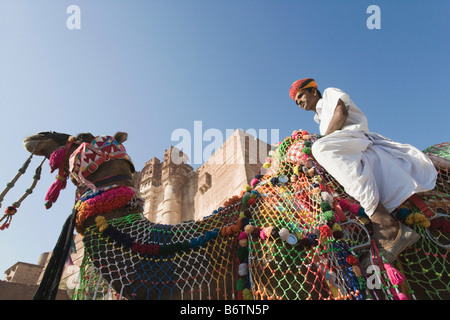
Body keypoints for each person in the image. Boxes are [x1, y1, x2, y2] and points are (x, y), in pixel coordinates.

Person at [289, 78, 437, 262]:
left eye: (301, 95)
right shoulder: (319, 119)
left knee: (319, 148)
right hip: (343, 144)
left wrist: (323, 141)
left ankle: (384, 222)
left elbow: (341, 112)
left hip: (355, 137)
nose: (299, 102)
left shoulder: (328, 93)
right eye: (296, 101)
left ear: (313, 91)